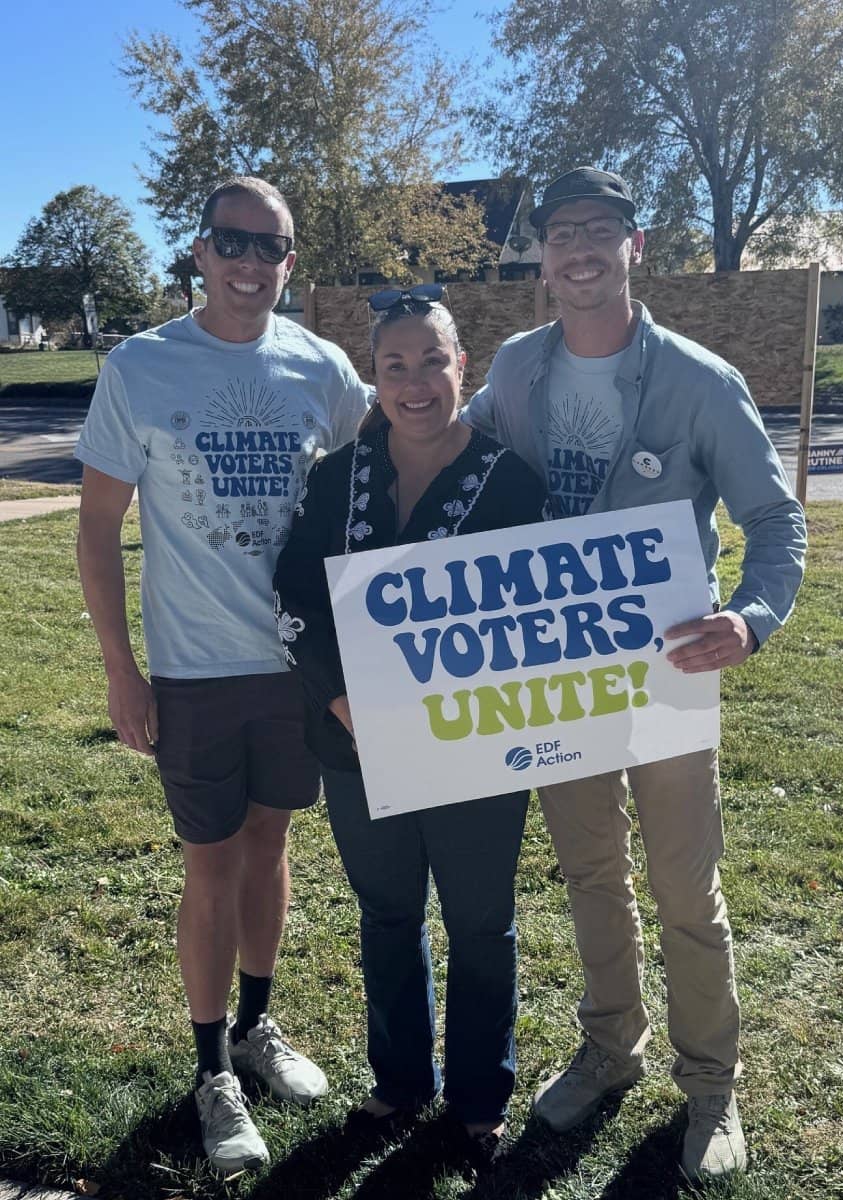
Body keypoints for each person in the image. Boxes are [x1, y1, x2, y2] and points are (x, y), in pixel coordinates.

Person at [462, 166, 807, 1180]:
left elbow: (773, 520)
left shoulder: (699, 379)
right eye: (560, 231)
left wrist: (749, 619)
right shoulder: (516, 368)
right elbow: (452, 447)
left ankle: (711, 1087)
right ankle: (610, 1049)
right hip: (556, 677)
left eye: (597, 230)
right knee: (588, 877)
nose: (576, 248)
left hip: (662, 674)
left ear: (633, 245)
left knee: (682, 889)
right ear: (540, 253)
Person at [75, 176, 369, 1175]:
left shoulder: (320, 367)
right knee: (211, 865)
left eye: (271, 247)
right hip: (194, 672)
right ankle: (211, 1075)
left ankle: (256, 1026)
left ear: (292, 263)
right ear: (199, 252)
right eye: (231, 241)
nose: (250, 261)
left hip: (296, 667)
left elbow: (391, 467)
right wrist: (123, 672)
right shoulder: (142, 365)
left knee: (270, 842)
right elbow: (95, 528)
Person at [272, 288, 550, 1168]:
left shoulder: (512, 482)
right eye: (395, 366)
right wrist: (342, 701)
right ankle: (398, 1083)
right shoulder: (336, 478)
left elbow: (542, 618)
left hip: (475, 749)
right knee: (387, 913)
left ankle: (478, 1097)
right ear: (374, 378)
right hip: (356, 744)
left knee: (479, 922)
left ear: (462, 367)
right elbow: (295, 601)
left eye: (433, 361)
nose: (416, 382)